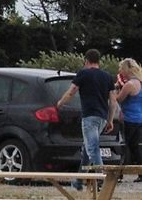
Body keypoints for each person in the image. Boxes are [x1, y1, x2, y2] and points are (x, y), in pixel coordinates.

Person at [56, 49, 117, 190]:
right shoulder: (107, 76)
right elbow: (113, 101)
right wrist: (110, 120)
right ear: (98, 61)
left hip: (89, 116)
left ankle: (102, 178)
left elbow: (71, 92)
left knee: (92, 148)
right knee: (87, 149)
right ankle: (78, 180)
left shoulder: (83, 74)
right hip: (102, 117)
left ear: (86, 61)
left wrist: (60, 103)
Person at [114, 58, 142, 181]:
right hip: (139, 117)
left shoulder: (129, 85)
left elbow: (118, 99)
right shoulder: (139, 83)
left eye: (121, 68)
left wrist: (115, 89)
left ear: (126, 69)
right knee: (134, 146)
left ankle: (119, 173)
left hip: (128, 118)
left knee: (123, 145)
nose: (120, 71)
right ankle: (140, 172)